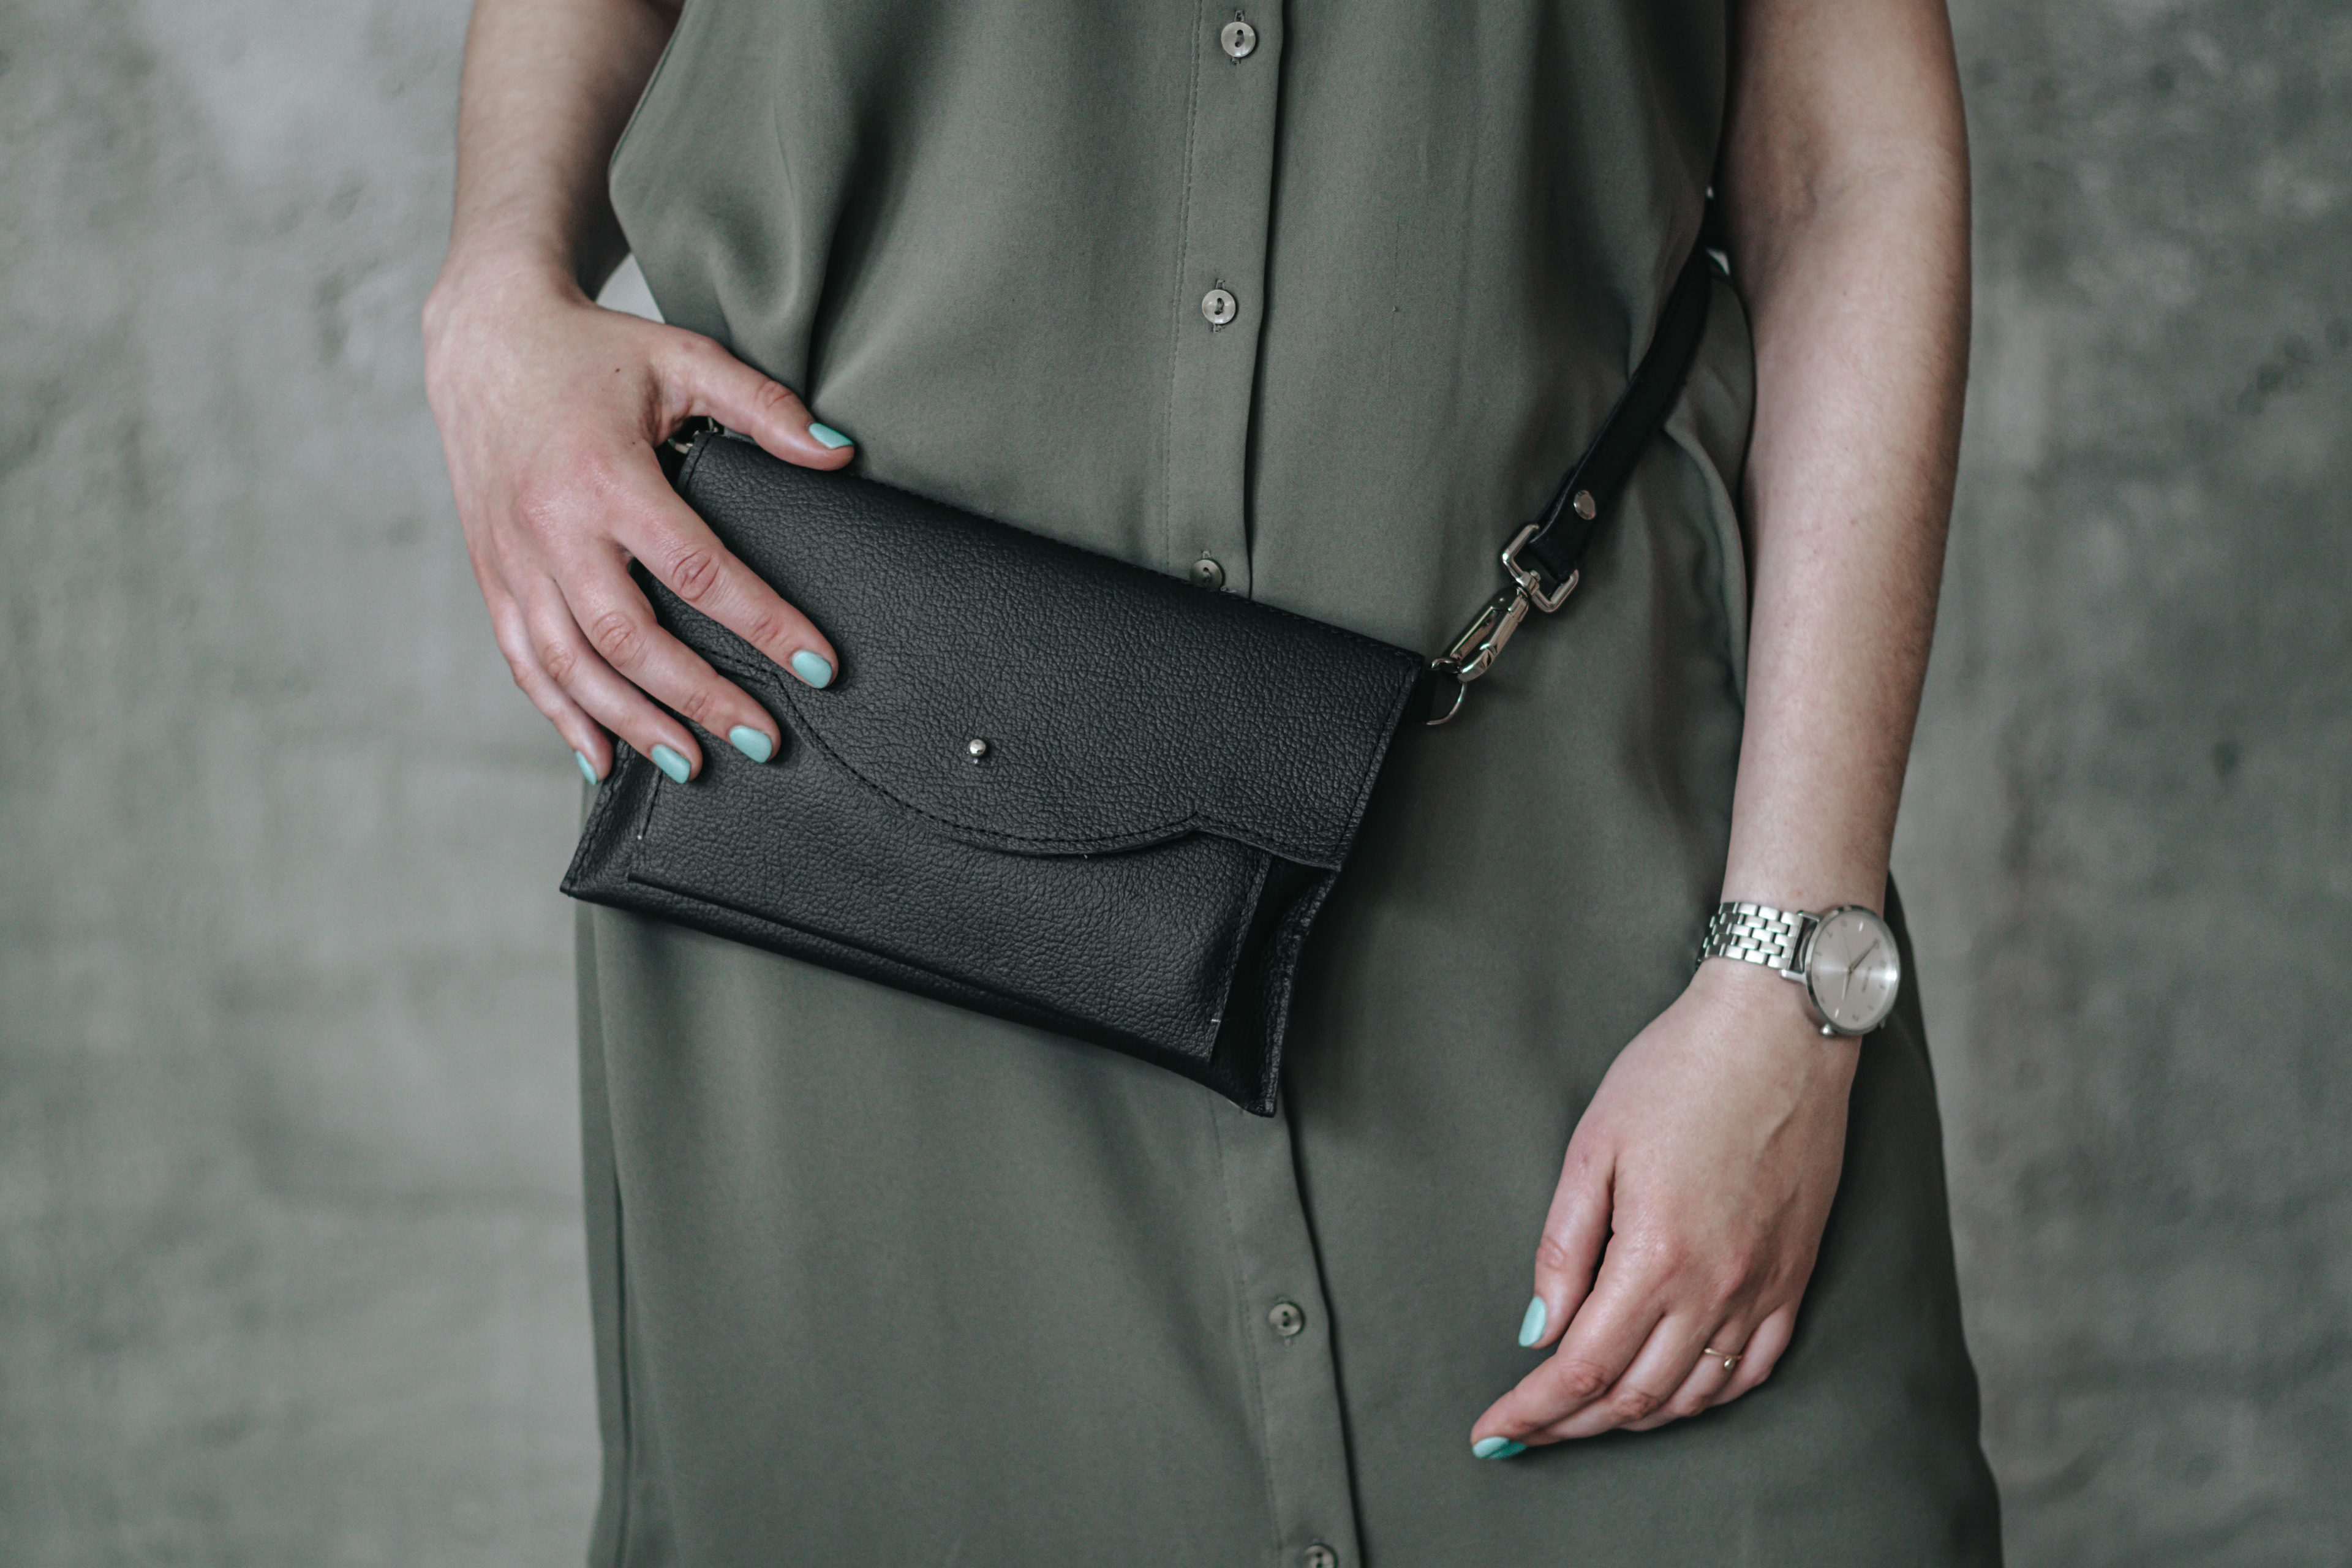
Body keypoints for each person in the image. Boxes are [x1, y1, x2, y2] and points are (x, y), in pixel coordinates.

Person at [424, 0, 2000, 1561]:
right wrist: (495, 285)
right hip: (843, 871)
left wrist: (1790, 976)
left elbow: (1842, 171)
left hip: (1600, 879)